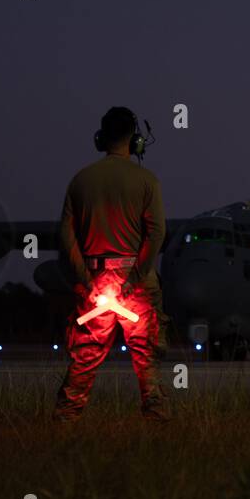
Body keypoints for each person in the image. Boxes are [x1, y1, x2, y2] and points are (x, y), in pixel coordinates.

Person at [54, 106, 170, 423]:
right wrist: (135, 277)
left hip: (93, 280)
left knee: (85, 356)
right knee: (146, 357)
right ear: (136, 142)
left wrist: (86, 280)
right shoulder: (147, 181)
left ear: (100, 139)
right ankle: (156, 421)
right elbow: (157, 232)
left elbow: (66, 237)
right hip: (137, 284)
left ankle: (66, 419)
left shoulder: (80, 181)